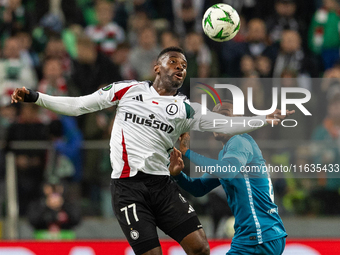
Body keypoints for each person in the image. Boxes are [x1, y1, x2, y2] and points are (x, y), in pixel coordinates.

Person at [11, 47, 293, 255]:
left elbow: (224, 124)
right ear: (157, 67)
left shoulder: (186, 109)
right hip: (128, 187)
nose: (180, 68)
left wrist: (263, 119)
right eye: (174, 62)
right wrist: (37, 97)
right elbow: (78, 105)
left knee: (200, 248)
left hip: (161, 185)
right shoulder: (126, 91)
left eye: (184, 65)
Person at [169, 100, 287, 255]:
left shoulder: (239, 142)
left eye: (224, 116)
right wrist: (178, 175)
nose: (217, 122)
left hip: (257, 236)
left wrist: (188, 152)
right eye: (214, 117)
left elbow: (227, 171)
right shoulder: (228, 153)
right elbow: (199, 188)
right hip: (262, 234)